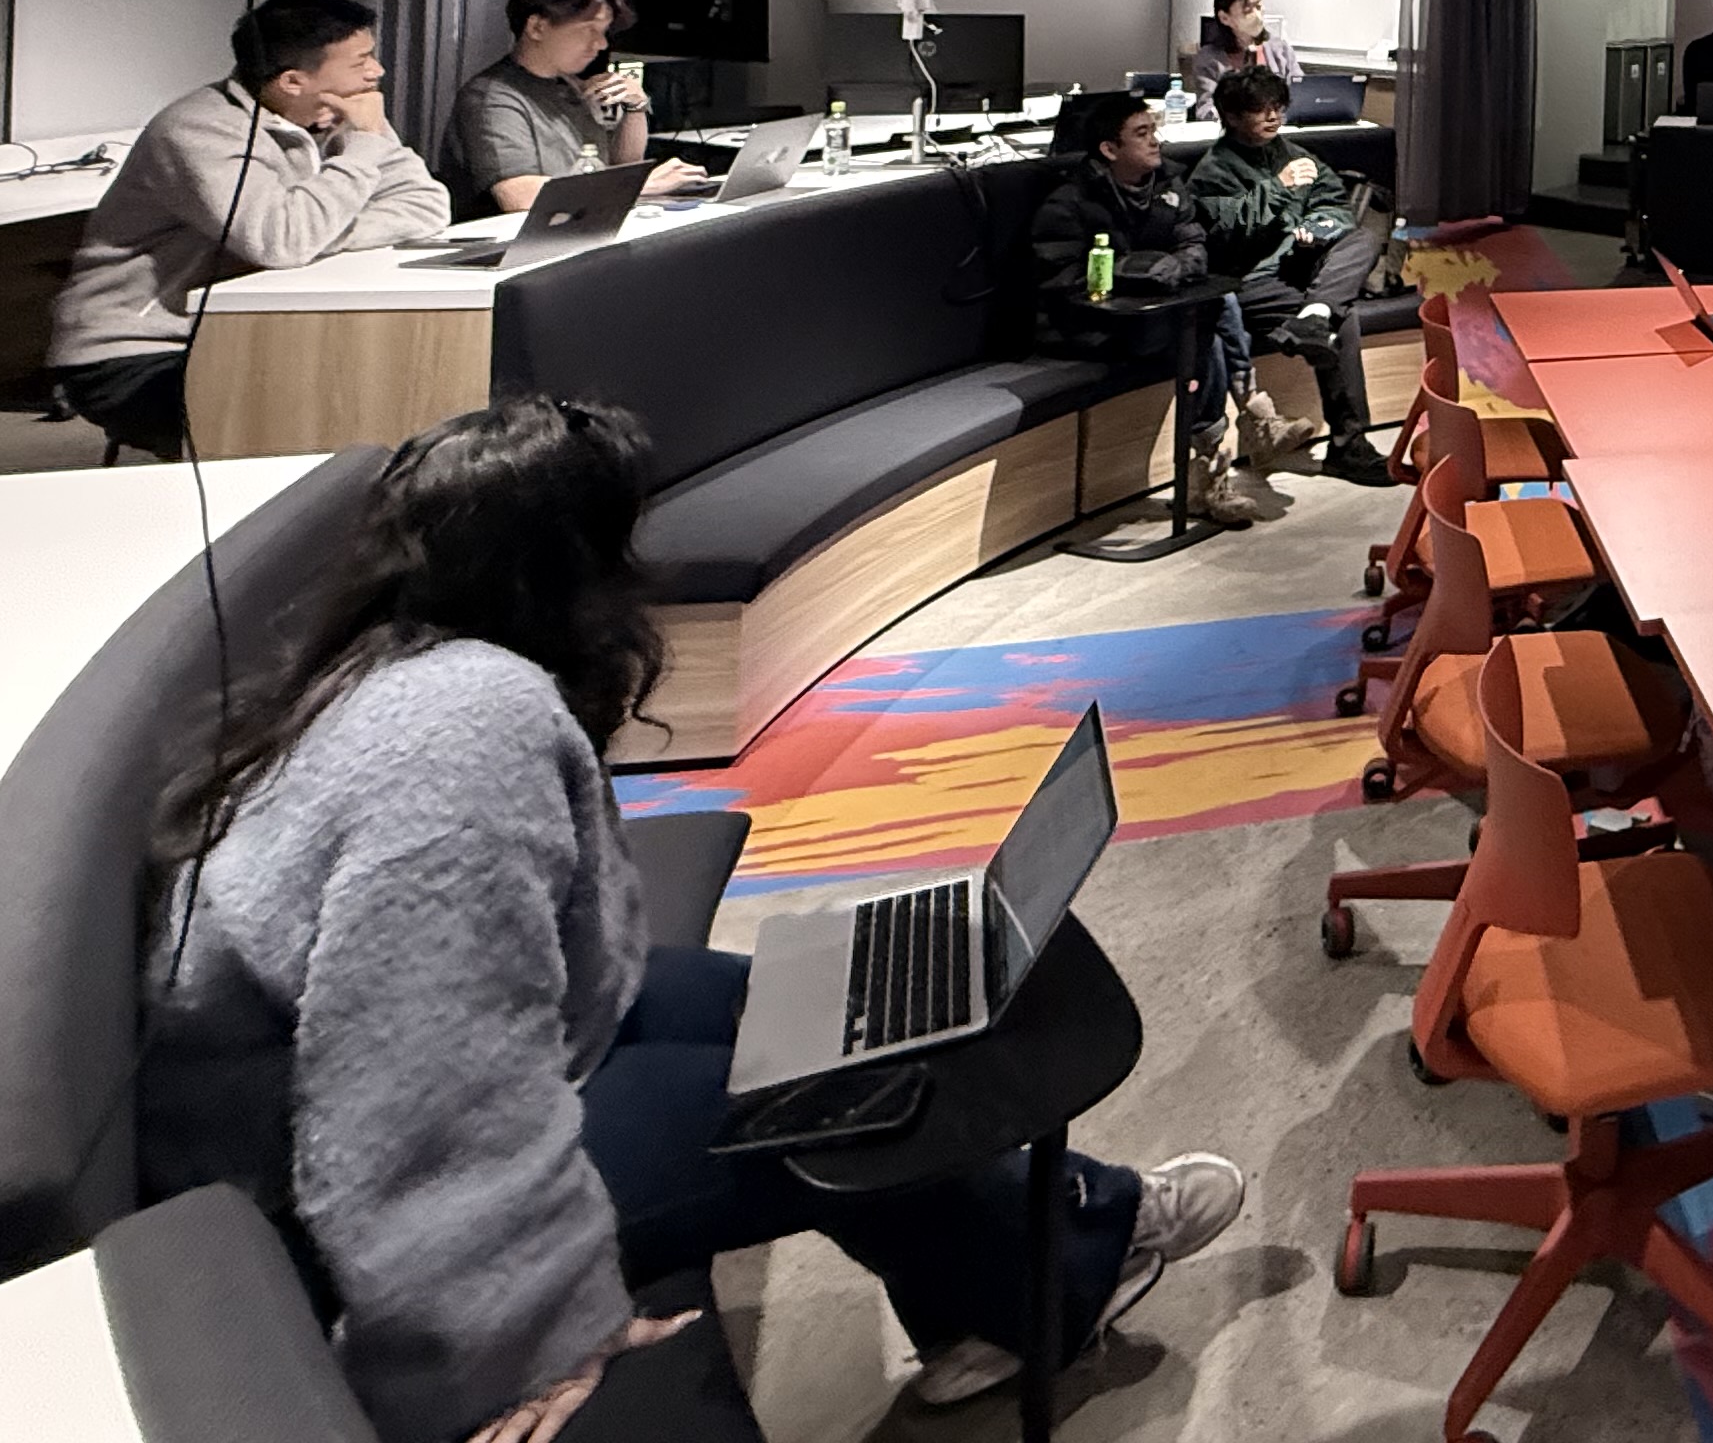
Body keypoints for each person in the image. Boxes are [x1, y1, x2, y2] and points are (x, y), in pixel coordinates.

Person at [135, 395, 1249, 1443]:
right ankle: (1080, 1253)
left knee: (836, 1015)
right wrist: (512, 1338)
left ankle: (1020, 1271)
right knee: (850, 1101)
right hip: (303, 1185)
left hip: (453, 1061)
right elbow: (409, 1091)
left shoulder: (397, 666)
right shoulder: (463, 729)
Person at [48, 0, 453, 460]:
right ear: (294, 81)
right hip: (137, 350)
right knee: (325, 415)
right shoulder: (199, 131)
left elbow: (427, 204)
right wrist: (359, 152)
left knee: (380, 385)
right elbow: (282, 241)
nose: (376, 72)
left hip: (249, 327)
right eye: (361, 60)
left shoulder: (340, 115)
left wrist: (316, 230)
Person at [1039, 90, 1290, 525]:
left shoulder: (1170, 185)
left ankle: (1219, 463)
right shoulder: (1068, 203)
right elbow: (1063, 279)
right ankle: (1248, 422)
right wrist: (1148, 271)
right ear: (1109, 149)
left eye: (1154, 130)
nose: (1155, 140)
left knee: (1209, 314)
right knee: (1207, 317)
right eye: (1142, 133)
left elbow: (1194, 244)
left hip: (1164, 316)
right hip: (1096, 326)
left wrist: (1174, 268)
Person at [1181, 63, 1399, 484]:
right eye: (1259, 110)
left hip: (1302, 267)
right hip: (1250, 280)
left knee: (1363, 240)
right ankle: (1348, 447)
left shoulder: (1295, 154)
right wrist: (1278, 188)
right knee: (1345, 321)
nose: (1272, 117)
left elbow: (1335, 205)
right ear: (1230, 116)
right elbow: (1226, 234)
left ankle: (1315, 313)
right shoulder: (1214, 170)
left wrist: (1317, 229)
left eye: (1277, 107)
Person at [447, 0, 693, 221]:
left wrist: (635, 107)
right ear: (537, 28)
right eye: (589, 30)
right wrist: (637, 186)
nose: (601, 44)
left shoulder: (571, 87)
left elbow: (620, 167)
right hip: (515, 246)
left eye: (603, 32)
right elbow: (519, 196)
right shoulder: (492, 98)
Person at [1179, 0, 1286, 109]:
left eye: (1258, 7)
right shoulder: (1208, 58)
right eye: (1248, 11)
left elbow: (1299, 94)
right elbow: (1206, 109)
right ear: (1225, 18)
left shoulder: (1280, 49)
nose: (1258, 16)